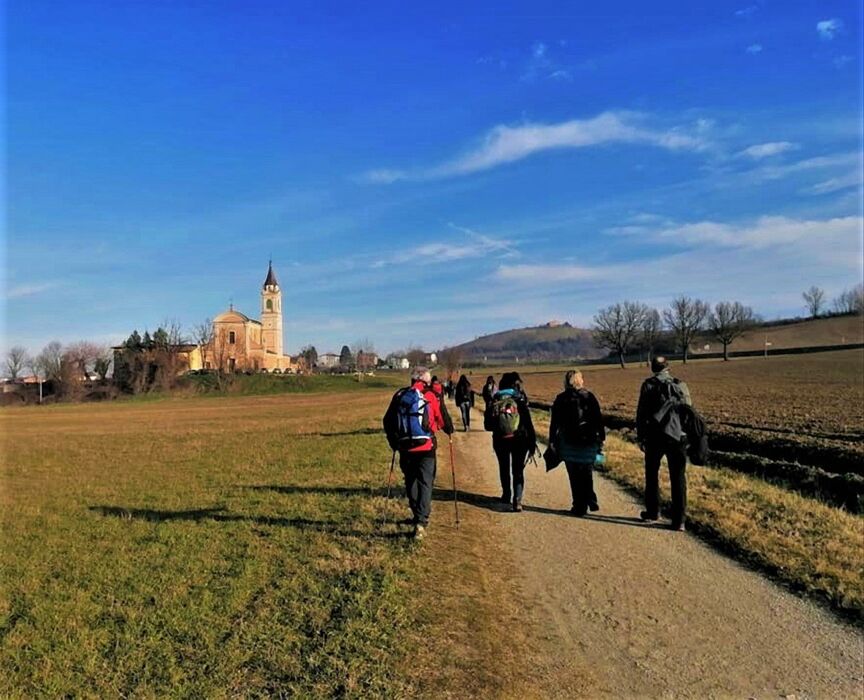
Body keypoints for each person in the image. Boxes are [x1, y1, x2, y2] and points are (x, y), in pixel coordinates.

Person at [383, 366, 453, 540]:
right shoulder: (430, 396)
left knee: (411, 481)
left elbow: (387, 420)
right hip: (426, 448)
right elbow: (443, 420)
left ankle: (416, 515)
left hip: (405, 447)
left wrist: (394, 442)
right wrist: (449, 430)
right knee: (425, 482)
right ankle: (421, 521)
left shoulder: (399, 396)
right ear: (425, 380)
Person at [636, 356, 692, 531]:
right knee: (678, 477)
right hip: (678, 436)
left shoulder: (648, 385)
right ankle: (679, 520)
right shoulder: (680, 384)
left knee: (652, 474)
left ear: (653, 368)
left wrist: (641, 436)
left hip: (655, 437)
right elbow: (688, 410)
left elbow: (641, 413)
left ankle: (653, 512)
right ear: (668, 367)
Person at [549, 370, 605, 516]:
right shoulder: (589, 397)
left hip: (568, 442)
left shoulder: (561, 399)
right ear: (580, 380)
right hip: (588, 441)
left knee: (574, 475)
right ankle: (589, 497)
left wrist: (552, 441)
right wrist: (601, 438)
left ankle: (578, 505)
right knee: (587, 472)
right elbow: (598, 419)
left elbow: (554, 423)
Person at [485, 371, 537, 512]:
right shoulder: (520, 399)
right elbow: (528, 422)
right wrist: (532, 442)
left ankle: (506, 495)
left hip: (500, 440)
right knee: (518, 469)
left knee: (504, 467)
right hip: (520, 439)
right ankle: (517, 500)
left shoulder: (495, 399)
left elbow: (487, 425)